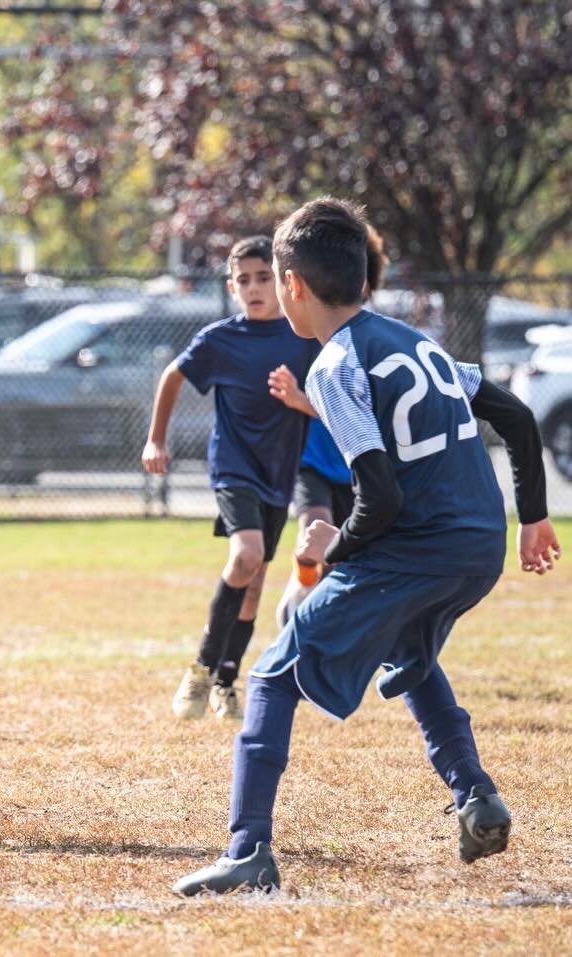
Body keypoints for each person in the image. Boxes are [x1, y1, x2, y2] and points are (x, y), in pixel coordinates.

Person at [174, 197, 560, 895]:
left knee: (272, 677)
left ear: (292, 284)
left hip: (419, 547)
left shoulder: (334, 366)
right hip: (479, 545)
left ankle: (247, 850)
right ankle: (477, 795)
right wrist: (532, 516)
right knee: (409, 654)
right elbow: (515, 415)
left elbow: (378, 497)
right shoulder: (414, 341)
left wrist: (332, 550)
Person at [142, 236, 321, 721]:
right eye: (244, 280)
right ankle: (201, 669)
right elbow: (173, 376)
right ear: (231, 287)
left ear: (284, 282)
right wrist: (156, 439)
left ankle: (225, 680)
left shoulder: (305, 339)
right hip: (232, 468)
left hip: (278, 472)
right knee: (246, 556)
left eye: (264, 278)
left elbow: (331, 407)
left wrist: (299, 400)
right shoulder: (219, 339)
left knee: (254, 583)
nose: (254, 288)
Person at [267, 227, 387, 626]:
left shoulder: (371, 343)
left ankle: (321, 614)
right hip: (315, 462)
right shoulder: (310, 332)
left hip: (357, 467)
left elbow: (356, 414)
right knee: (312, 528)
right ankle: (300, 590)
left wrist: (301, 400)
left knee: (340, 555)